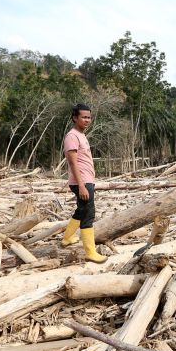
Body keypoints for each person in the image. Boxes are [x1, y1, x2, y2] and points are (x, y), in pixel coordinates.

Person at [61, 103, 107, 263]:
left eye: (89, 117)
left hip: (87, 180)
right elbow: (73, 162)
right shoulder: (72, 136)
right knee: (88, 214)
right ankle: (90, 252)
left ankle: (67, 238)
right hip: (81, 181)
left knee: (82, 210)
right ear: (75, 118)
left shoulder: (81, 135)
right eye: (84, 117)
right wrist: (81, 185)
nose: (87, 120)